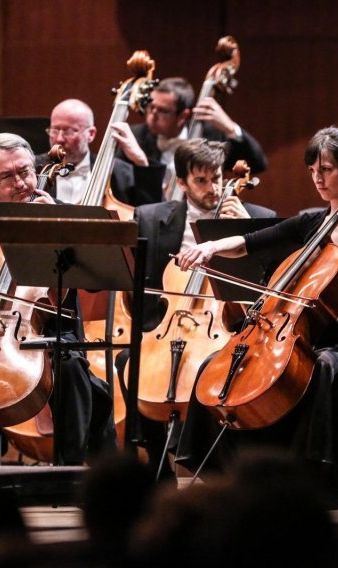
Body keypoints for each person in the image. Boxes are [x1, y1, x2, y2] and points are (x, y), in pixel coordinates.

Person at [173, 126, 338, 506]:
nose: (317, 179)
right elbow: (252, 243)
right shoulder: (310, 223)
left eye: (326, 169)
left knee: (326, 365)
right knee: (218, 363)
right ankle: (222, 473)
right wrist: (210, 247)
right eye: (312, 171)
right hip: (305, 339)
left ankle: (318, 477)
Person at [116, 138, 275, 479]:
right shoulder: (150, 217)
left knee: (223, 367)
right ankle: (159, 461)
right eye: (201, 181)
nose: (213, 188)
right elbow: (142, 287)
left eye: (216, 177)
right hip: (171, 324)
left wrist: (244, 231)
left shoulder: (259, 218)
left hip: (227, 331)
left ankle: (222, 468)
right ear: (183, 183)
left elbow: (269, 287)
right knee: (129, 360)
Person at [0, 133, 116, 465]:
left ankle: (68, 473)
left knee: (71, 366)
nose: (21, 183)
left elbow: (90, 285)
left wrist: (55, 229)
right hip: (0, 333)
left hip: (52, 335)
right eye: (7, 177)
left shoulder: (63, 215)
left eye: (25, 171)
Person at [116, 77, 268, 202]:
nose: (152, 115)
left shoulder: (210, 137)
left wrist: (230, 128)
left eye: (163, 110)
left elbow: (257, 164)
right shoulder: (134, 137)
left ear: (183, 116)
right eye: (150, 107)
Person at [36, 98, 165, 207]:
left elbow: (151, 209)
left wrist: (141, 161)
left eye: (69, 131)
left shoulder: (118, 172)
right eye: (54, 130)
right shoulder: (33, 168)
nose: (59, 139)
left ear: (91, 134)